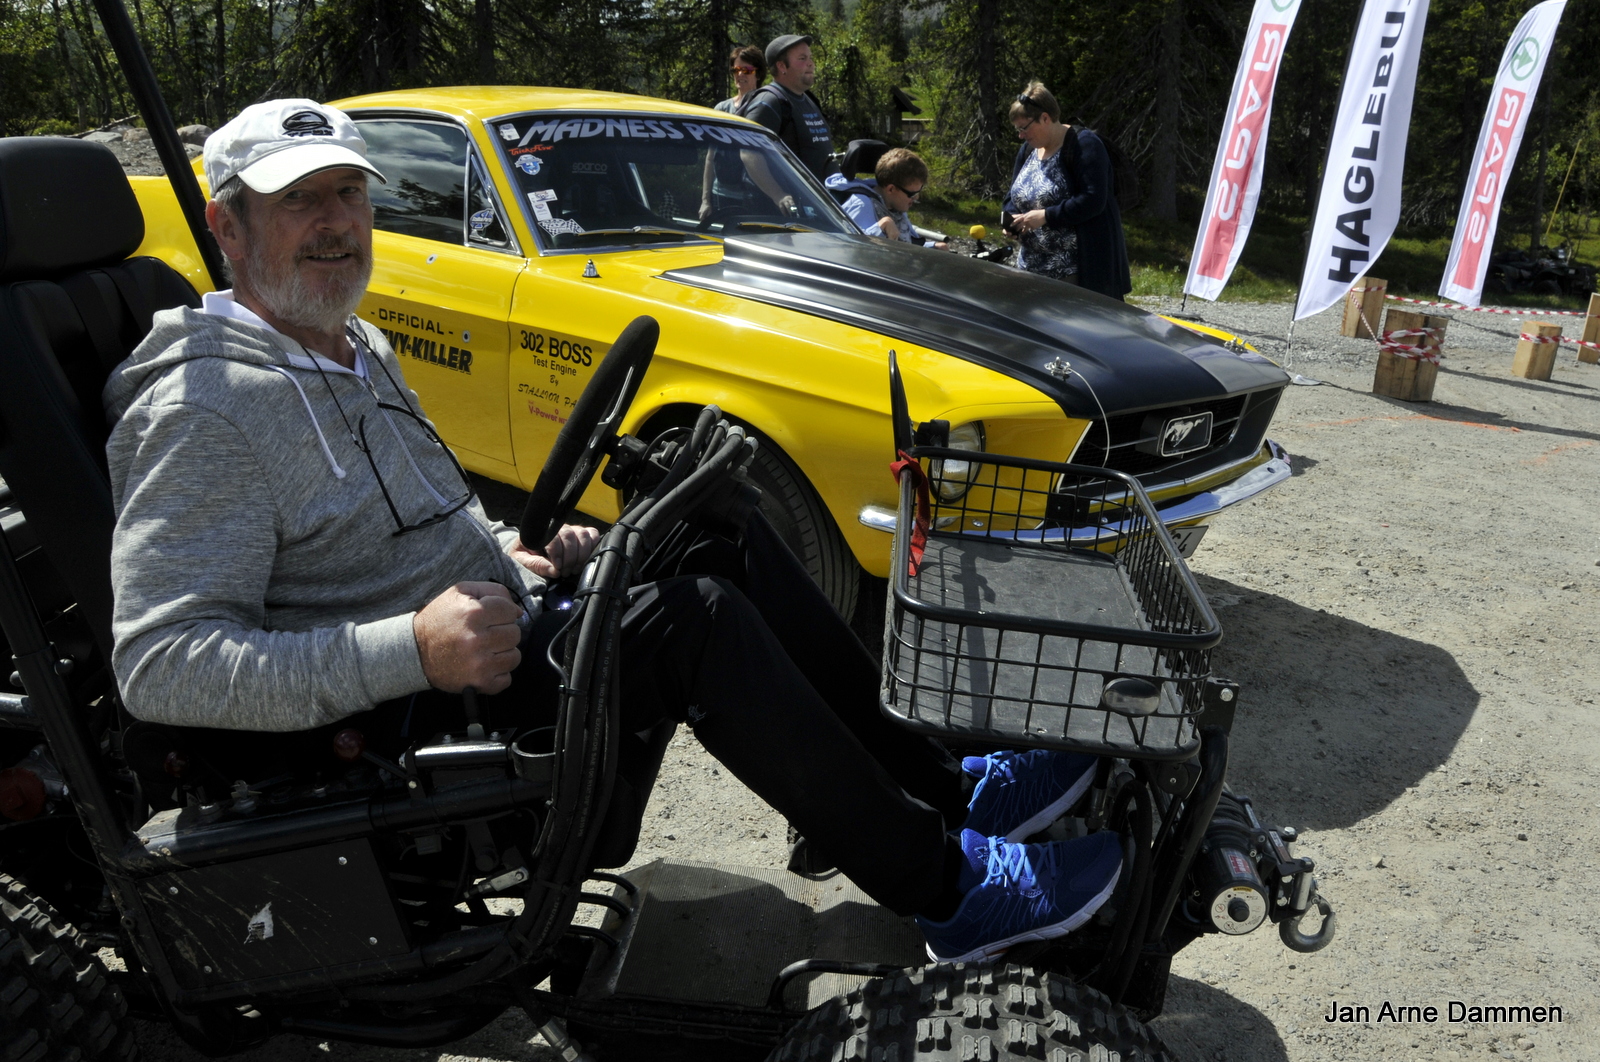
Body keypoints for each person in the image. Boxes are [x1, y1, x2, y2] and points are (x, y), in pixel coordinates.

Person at [101, 98, 1122, 964]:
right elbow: (163, 665)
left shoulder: (347, 341)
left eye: (349, 193)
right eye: (298, 201)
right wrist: (409, 648)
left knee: (715, 527)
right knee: (692, 621)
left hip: (476, 630)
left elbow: (410, 511)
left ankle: (951, 789)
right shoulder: (202, 411)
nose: (337, 223)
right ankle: (947, 890)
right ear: (226, 227)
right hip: (393, 719)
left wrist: (504, 553)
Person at [1002, 81, 1130, 300]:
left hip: (1077, 273)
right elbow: (1012, 196)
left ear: (1045, 117)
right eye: (1018, 129)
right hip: (1031, 269)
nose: (1020, 136)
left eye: (1024, 128)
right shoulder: (1029, 149)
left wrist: (1046, 216)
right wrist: (1011, 220)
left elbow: (1093, 199)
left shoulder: (1085, 145)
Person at [738, 34, 836, 193]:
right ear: (782, 66)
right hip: (786, 211)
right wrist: (779, 196)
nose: (811, 63)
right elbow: (749, 154)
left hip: (819, 207)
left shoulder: (808, 99)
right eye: (802, 58)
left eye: (810, 58)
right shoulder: (768, 102)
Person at [827, 147, 949, 249]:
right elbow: (848, 247)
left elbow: (906, 244)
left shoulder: (895, 205)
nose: (917, 198)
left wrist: (933, 247)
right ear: (891, 189)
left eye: (919, 191)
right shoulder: (862, 205)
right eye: (912, 194)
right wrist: (882, 226)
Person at [699, 45, 765, 223]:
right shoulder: (722, 109)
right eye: (736, 70)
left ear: (758, 74)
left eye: (746, 70)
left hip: (757, 196)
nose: (740, 75)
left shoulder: (765, 107)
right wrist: (705, 201)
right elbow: (710, 158)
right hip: (723, 194)